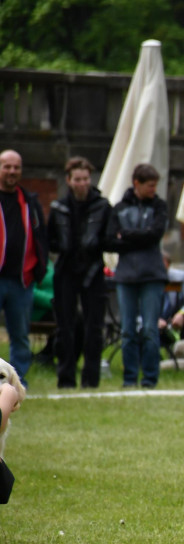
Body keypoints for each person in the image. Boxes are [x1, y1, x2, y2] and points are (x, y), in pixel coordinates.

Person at [47, 156, 111, 389]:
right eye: (77, 179)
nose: (82, 183)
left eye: (85, 179)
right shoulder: (59, 207)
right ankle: (65, 378)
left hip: (94, 271)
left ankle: (91, 380)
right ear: (69, 180)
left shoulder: (103, 206)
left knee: (94, 327)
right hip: (65, 271)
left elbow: (110, 237)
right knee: (65, 327)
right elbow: (50, 239)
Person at [106, 163, 169, 389]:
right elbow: (111, 240)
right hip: (126, 277)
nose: (154, 189)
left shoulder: (159, 206)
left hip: (152, 275)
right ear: (137, 184)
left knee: (151, 329)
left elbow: (155, 235)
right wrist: (136, 237)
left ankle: (150, 379)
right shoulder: (119, 207)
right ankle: (129, 379)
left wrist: (127, 236)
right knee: (127, 330)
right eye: (150, 185)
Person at [0, 150, 48, 387]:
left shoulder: (30, 202)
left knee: (20, 335)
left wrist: (39, 266)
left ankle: (18, 383)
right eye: (6, 166)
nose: (11, 171)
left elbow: (41, 236)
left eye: (16, 167)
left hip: (22, 280)